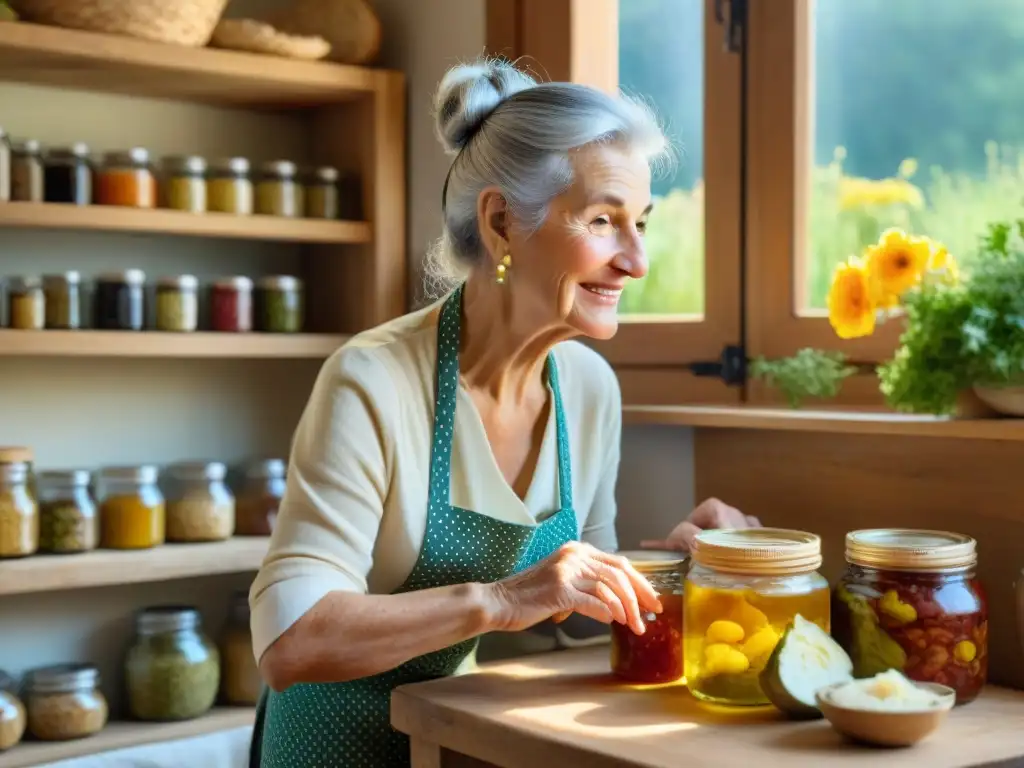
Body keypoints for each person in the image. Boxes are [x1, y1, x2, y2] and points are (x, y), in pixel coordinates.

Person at [247, 59, 759, 768]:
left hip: (454, 744)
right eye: (604, 220)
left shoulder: (588, 386)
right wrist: (502, 599)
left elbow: (577, 623)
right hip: (330, 749)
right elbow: (291, 642)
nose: (636, 260)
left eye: (640, 223)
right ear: (499, 223)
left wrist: (677, 567)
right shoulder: (373, 380)